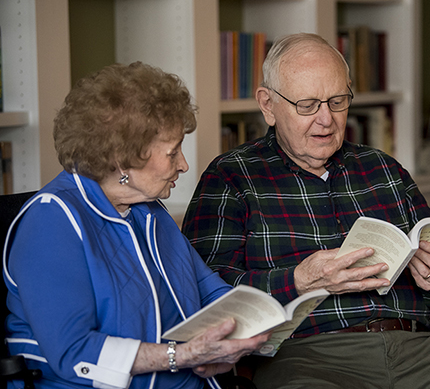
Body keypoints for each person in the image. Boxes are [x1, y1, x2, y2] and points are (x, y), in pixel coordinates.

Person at [182, 33, 430, 388]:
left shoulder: (383, 169)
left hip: (422, 348)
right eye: (307, 105)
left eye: (337, 101)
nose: (326, 119)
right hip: (307, 355)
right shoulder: (231, 176)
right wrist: (298, 280)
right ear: (268, 105)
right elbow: (201, 298)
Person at [2, 62, 270, 389]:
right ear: (121, 159)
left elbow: (208, 290)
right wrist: (182, 356)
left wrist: (254, 321)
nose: (184, 165)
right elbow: (75, 353)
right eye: (172, 153)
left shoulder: (150, 212)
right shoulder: (51, 222)